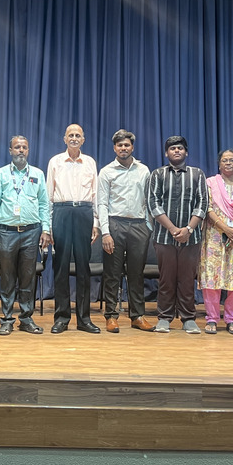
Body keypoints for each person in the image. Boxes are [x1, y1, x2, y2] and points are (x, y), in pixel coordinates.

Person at [0, 136, 52, 335]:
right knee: (7, 277)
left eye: (24, 147)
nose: (21, 150)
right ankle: (7, 320)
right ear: (10, 150)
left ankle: (26, 319)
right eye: (17, 147)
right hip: (7, 232)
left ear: (28, 151)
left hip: (32, 232)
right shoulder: (0, 174)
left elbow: (44, 204)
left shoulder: (38, 174)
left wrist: (46, 230)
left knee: (27, 277)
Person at [148, 136, 208, 334]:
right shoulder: (157, 174)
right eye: (172, 148)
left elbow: (203, 203)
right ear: (166, 153)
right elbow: (153, 204)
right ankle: (164, 318)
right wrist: (173, 229)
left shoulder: (197, 174)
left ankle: (188, 318)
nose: (176, 151)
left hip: (191, 238)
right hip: (164, 237)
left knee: (187, 279)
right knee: (166, 279)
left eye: (180, 148)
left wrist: (188, 229)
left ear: (186, 152)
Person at [97, 130, 156, 333]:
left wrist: (148, 226)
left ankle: (137, 316)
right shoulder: (106, 172)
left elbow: (149, 200)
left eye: (127, 145)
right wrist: (105, 232)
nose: (123, 148)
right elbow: (102, 203)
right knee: (112, 274)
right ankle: (111, 316)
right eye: (120, 145)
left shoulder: (143, 170)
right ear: (114, 148)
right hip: (115, 224)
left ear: (132, 147)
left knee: (136, 274)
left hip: (139, 226)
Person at [46, 124, 100, 334]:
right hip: (62, 212)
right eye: (71, 135)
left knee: (83, 268)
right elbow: (49, 195)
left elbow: (95, 195)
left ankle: (84, 319)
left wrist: (95, 223)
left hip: (84, 213)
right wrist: (48, 226)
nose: (74, 138)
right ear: (64, 138)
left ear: (83, 139)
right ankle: (61, 318)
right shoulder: (55, 162)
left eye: (78, 135)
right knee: (60, 267)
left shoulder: (90, 162)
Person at [199, 149, 233, 335]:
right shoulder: (210, 183)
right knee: (212, 277)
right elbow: (207, 209)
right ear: (219, 164)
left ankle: (232, 319)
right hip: (214, 235)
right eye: (224, 160)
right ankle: (212, 318)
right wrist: (225, 229)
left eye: (232, 160)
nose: (228, 163)